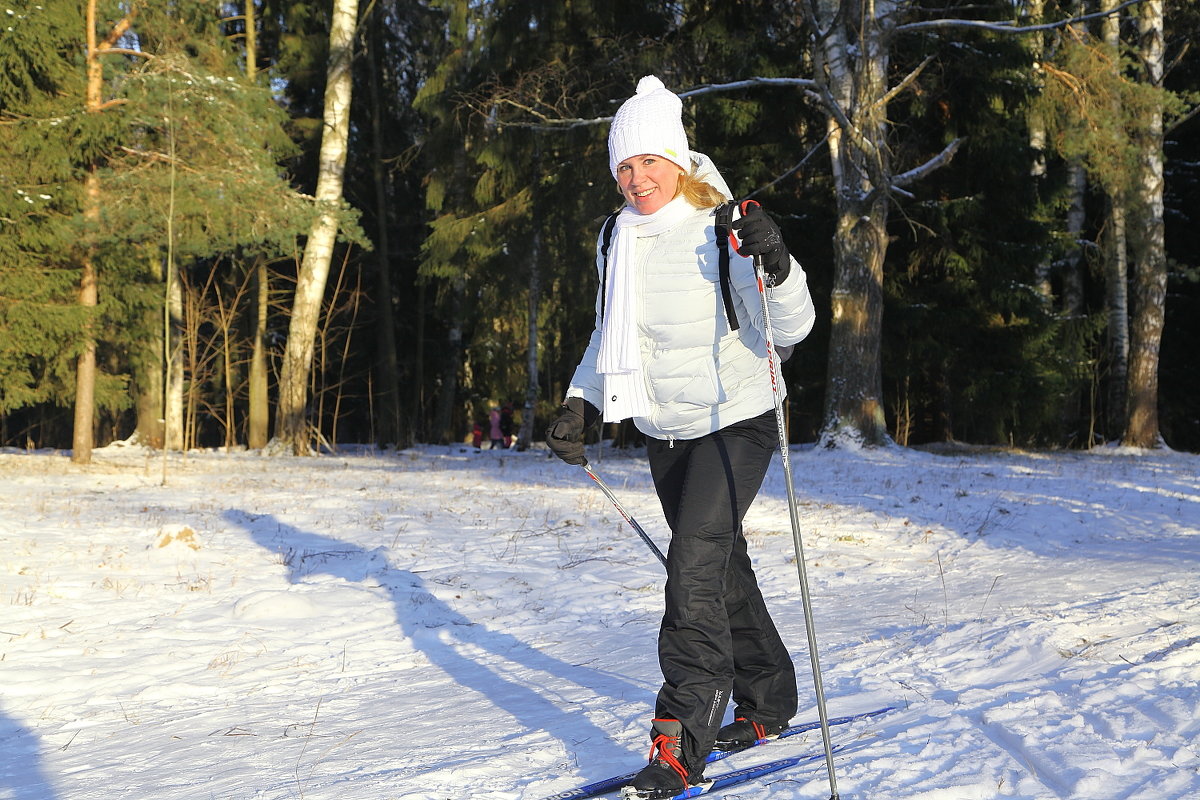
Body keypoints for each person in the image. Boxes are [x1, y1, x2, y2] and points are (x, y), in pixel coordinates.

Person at [545, 76, 817, 799]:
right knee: (718, 566)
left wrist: (779, 262)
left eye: (649, 163)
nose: (637, 180)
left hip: (738, 417)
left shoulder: (724, 226)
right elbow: (610, 334)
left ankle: (678, 741)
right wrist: (581, 402)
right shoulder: (616, 237)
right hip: (666, 430)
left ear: (679, 159)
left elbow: (789, 330)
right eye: (623, 168)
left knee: (692, 568)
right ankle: (769, 699)